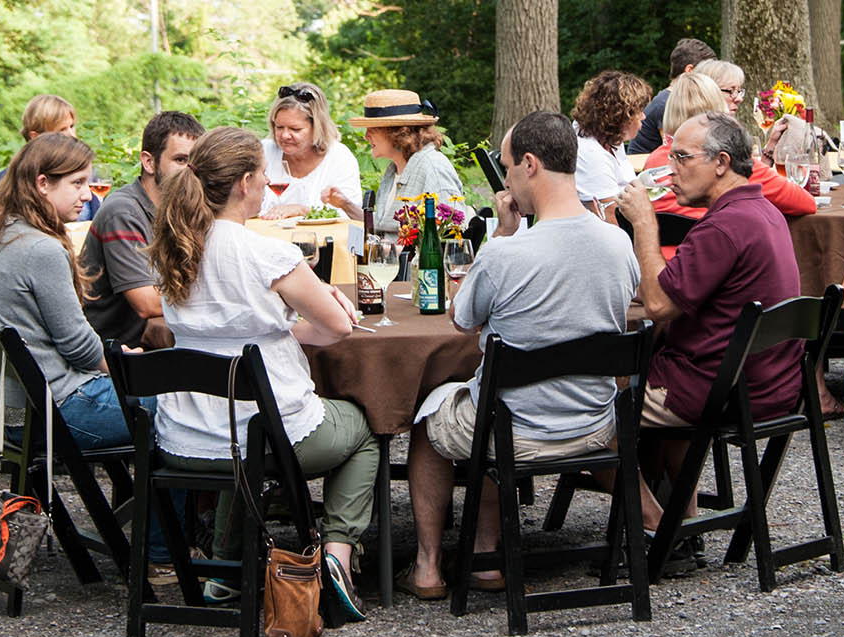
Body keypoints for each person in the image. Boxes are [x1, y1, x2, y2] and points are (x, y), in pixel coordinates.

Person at [404, 111, 640, 599]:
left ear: (530, 165)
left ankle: (429, 564)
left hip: (517, 431)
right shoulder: (619, 244)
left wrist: (504, 234)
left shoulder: (506, 254)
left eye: (508, 168)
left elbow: (462, 318)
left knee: (432, 416)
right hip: (595, 426)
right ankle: (487, 554)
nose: (506, 178)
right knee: (487, 396)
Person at [147, 127, 377, 621]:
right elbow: (338, 328)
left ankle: (225, 571)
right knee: (363, 430)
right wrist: (323, 309)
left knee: (241, 439)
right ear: (245, 182)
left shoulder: (175, 248)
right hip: (264, 434)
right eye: (263, 175)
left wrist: (281, 329)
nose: (268, 180)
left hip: (185, 437)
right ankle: (337, 559)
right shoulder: (265, 251)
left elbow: (223, 329)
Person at [621, 110, 804, 438]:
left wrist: (644, 223)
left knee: (587, 407)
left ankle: (645, 493)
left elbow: (660, 306)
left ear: (721, 163)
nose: (670, 169)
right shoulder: (763, 212)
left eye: (681, 157)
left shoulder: (724, 226)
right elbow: (674, 291)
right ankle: (675, 492)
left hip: (719, 392)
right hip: (772, 386)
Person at [0, 133, 131, 452]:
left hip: (13, 413)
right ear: (43, 184)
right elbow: (78, 347)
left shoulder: (1, 234)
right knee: (182, 409)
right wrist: (127, 368)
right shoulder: (42, 249)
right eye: (77, 183)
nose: (87, 195)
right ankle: (164, 504)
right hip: (56, 412)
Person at [77, 110, 203, 348]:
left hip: (156, 343)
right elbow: (147, 303)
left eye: (195, 162)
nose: (191, 172)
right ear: (148, 162)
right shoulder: (123, 212)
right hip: (114, 357)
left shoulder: (181, 210)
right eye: (180, 160)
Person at [641, 73, 817, 222]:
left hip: (659, 258)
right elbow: (806, 203)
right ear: (717, 109)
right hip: (718, 257)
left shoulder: (653, 163)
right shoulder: (728, 162)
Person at [345, 90, 465, 231]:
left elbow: (450, 235)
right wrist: (344, 204)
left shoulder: (433, 168)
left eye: (372, 129)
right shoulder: (393, 171)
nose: (366, 136)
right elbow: (384, 226)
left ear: (398, 132)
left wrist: (391, 250)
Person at [262, 82, 363, 218]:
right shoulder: (264, 152)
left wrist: (302, 210)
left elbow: (351, 216)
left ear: (317, 127)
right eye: (279, 127)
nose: (285, 135)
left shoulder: (339, 158)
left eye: (295, 129)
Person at [572, 70, 655, 212]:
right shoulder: (590, 154)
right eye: (639, 111)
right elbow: (609, 216)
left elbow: (630, 183)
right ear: (621, 117)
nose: (643, 117)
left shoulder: (611, 137)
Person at [626, 38, 715, 155]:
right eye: (707, 72)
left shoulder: (671, 100)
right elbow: (676, 150)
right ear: (689, 70)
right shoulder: (666, 103)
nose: (711, 79)